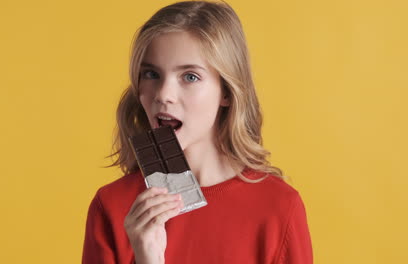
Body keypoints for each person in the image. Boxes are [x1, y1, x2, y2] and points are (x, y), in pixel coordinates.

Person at [82, 0, 313, 263]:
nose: (163, 95)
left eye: (190, 76)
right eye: (151, 74)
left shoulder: (278, 208)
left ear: (226, 91)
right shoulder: (113, 206)